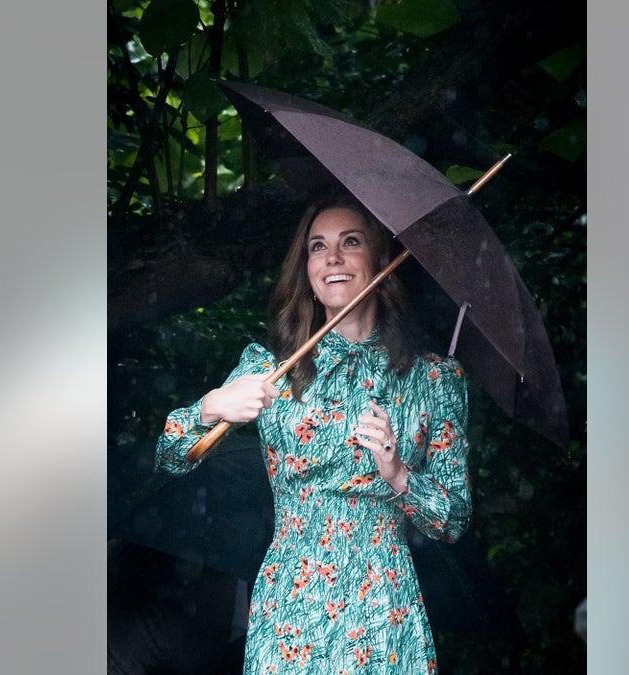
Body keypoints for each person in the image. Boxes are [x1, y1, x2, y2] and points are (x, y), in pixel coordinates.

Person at [154, 195, 472, 674]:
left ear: (380, 258)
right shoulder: (268, 369)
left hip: (384, 610)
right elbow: (170, 455)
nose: (334, 258)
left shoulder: (433, 380)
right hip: (291, 607)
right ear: (306, 269)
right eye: (318, 247)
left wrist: (399, 474)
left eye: (351, 242)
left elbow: (452, 521)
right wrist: (211, 407)